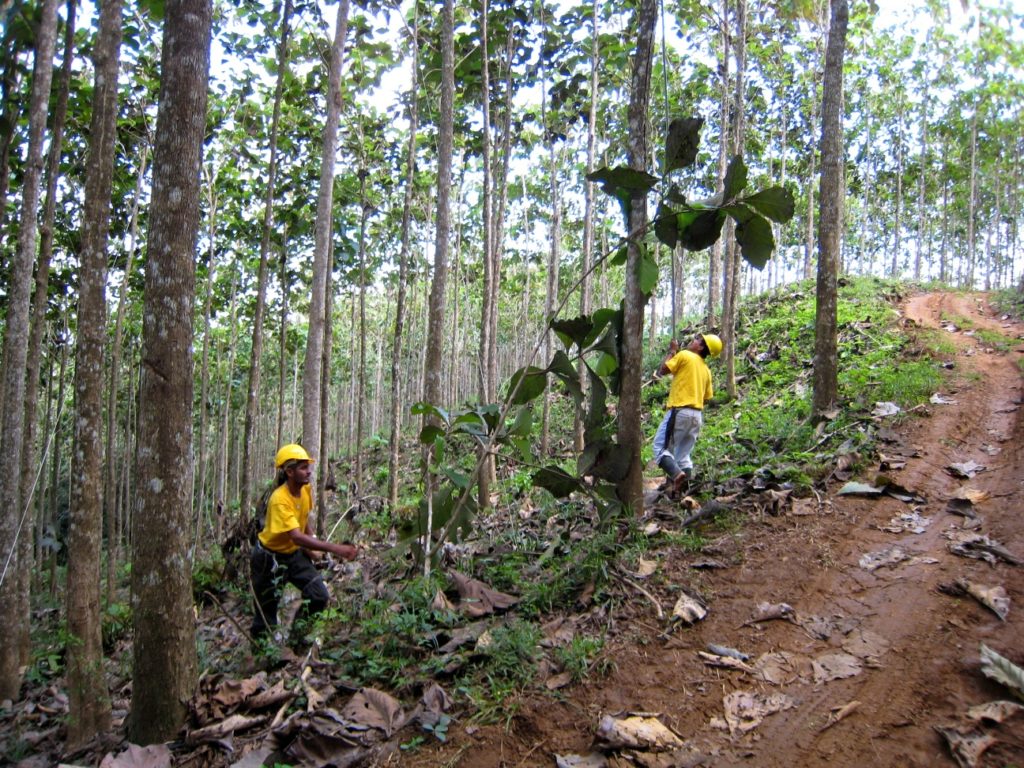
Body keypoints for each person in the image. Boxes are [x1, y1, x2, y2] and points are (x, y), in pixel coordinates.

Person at [250, 443, 358, 643]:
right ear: (289, 472)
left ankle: (296, 640)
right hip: (268, 560)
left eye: (308, 466)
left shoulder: (306, 489)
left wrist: (312, 543)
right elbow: (296, 536)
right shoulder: (279, 499)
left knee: (319, 595)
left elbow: (303, 518)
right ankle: (262, 657)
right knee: (265, 616)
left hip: (293, 555)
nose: (309, 472)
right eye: (303, 468)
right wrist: (336, 548)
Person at [653, 332, 722, 495]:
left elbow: (662, 370)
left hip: (679, 411)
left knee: (659, 448)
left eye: (697, 339)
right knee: (683, 456)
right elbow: (707, 398)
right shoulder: (706, 370)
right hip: (697, 415)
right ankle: (684, 493)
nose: (694, 340)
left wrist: (672, 351)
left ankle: (677, 475)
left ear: (702, 347)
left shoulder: (684, 355)